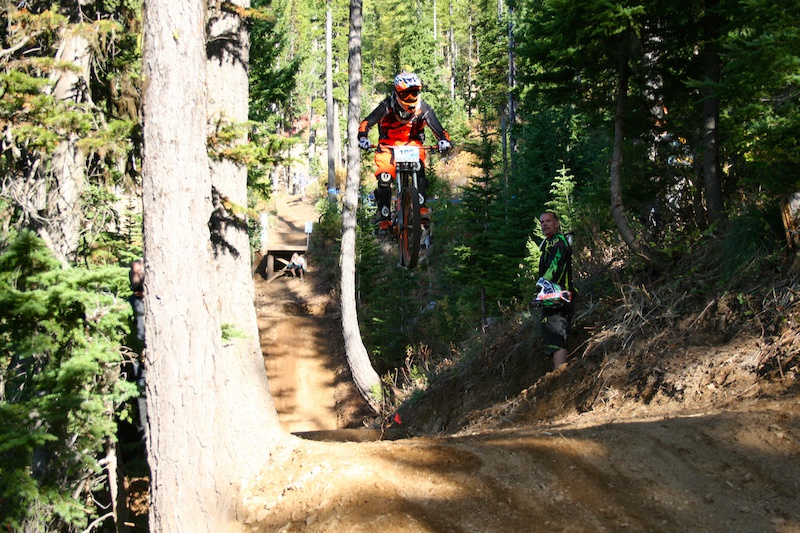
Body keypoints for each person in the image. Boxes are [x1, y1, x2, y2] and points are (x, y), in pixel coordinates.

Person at [358, 71, 452, 234]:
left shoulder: (423, 108)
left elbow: (439, 129)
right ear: (397, 93)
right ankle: (385, 218)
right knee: (384, 176)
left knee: (419, 167)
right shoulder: (386, 106)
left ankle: (421, 207)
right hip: (388, 146)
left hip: (413, 144)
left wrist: (444, 141)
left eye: (413, 93)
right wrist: (362, 137)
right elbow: (366, 122)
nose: (410, 98)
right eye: (405, 94)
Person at [537, 212, 574, 369]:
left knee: (557, 338)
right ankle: (558, 374)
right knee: (552, 336)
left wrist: (542, 284)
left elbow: (555, 266)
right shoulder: (549, 242)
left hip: (558, 298)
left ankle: (560, 376)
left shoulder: (557, 241)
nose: (545, 224)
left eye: (548, 221)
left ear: (556, 223)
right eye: (542, 222)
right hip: (552, 297)